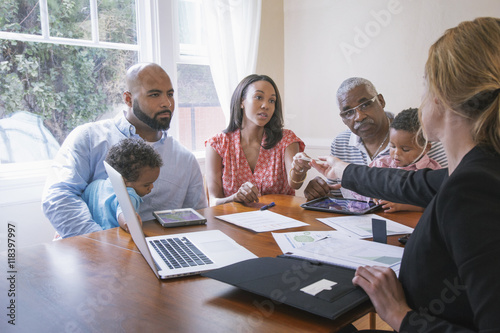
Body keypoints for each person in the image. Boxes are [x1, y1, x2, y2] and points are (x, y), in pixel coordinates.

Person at [311, 17, 500, 332]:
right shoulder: (479, 170)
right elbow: (410, 183)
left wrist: (400, 315)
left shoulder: (474, 189)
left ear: (442, 98)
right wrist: (342, 171)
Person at [42, 63, 207, 238]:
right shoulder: (89, 138)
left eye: (170, 94)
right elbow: (58, 198)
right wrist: (101, 244)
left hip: (157, 252)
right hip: (94, 250)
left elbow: (199, 216)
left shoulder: (185, 160)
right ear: (128, 99)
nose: (166, 103)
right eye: (154, 94)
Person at [302, 77, 447, 201]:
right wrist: (320, 190)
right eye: (348, 112)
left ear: (381, 101)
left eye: (365, 105)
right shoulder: (340, 143)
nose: (359, 116)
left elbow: (444, 194)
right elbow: (338, 196)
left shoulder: (419, 136)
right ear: (342, 118)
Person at [205, 74, 305, 206]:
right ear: (242, 101)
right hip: (234, 222)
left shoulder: (286, 139)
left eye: (271, 101)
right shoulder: (218, 144)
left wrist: (299, 169)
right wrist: (235, 198)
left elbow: (295, 184)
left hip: (280, 220)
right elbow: (213, 201)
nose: (266, 106)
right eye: (259, 97)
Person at [351, 108, 441, 212]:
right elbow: (357, 187)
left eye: (405, 149)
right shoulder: (381, 164)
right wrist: (370, 195)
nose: (396, 153)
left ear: (425, 148)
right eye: (392, 146)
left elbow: (438, 203)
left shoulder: (433, 171)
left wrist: (403, 206)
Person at [82, 138, 163, 232]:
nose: (152, 187)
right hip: (116, 241)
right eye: (146, 185)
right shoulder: (129, 194)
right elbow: (124, 212)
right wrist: (130, 222)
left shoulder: (95, 185)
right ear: (124, 180)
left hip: (93, 238)